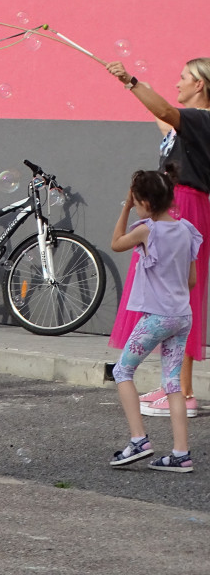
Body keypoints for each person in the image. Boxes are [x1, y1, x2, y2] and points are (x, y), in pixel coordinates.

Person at [106, 57, 210, 417]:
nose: (178, 83)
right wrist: (131, 86)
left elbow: (166, 108)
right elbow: (162, 114)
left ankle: (182, 391)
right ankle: (176, 388)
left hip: (182, 206)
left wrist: (131, 80)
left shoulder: (201, 118)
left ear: (200, 85)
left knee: (176, 295)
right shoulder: (185, 130)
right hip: (177, 205)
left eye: (184, 78)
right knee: (169, 292)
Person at [109, 168, 199, 472]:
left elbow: (117, 243)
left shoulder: (146, 230)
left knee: (123, 371)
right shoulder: (187, 229)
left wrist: (124, 207)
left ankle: (138, 441)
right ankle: (181, 454)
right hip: (182, 316)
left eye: (135, 200)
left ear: (143, 201)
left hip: (157, 318)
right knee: (172, 383)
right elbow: (192, 280)